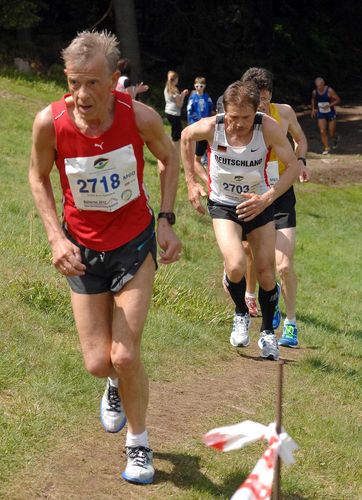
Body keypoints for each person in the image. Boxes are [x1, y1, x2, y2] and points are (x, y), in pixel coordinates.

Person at [28, 30, 181, 485]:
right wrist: (57, 238)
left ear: (115, 79)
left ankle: (138, 443)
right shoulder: (49, 122)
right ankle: (113, 385)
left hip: (134, 243)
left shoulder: (139, 117)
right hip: (83, 249)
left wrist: (166, 220)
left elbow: (168, 158)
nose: (82, 94)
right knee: (100, 363)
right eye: (75, 81)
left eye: (94, 83)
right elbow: (38, 178)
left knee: (126, 354)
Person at [181, 80, 299, 360]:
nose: (238, 124)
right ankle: (241, 313)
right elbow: (186, 136)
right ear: (225, 111)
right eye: (233, 117)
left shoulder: (267, 127)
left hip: (257, 205)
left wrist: (267, 198)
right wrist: (190, 182)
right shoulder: (213, 126)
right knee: (235, 266)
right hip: (223, 204)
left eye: (245, 118)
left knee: (266, 272)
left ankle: (268, 334)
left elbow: (293, 165)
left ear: (256, 111)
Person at [240, 68, 310, 348]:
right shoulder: (240, 119)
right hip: (252, 192)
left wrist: (301, 159)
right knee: (251, 253)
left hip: (280, 192)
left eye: (267, 100)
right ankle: (249, 292)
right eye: (258, 102)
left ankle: (291, 325)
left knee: (284, 264)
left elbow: (300, 139)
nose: (263, 107)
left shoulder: (285, 113)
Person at [186, 76, 214, 184]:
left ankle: (204, 160)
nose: (199, 88)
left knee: (206, 141)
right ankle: (195, 161)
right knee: (197, 143)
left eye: (201, 86)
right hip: (196, 123)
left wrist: (210, 116)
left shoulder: (207, 97)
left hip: (206, 123)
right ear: (194, 86)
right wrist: (196, 119)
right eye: (197, 86)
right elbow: (189, 110)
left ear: (204, 86)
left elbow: (211, 107)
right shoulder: (193, 97)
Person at [311, 77, 341, 155]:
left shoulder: (329, 90)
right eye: (318, 86)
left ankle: (335, 138)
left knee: (331, 133)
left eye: (321, 85)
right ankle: (326, 148)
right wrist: (313, 109)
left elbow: (338, 100)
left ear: (323, 84)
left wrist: (329, 105)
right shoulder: (315, 92)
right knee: (322, 131)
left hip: (330, 112)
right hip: (321, 113)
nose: (319, 87)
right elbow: (313, 99)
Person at [163, 70, 189, 161]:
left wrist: (181, 94)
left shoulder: (167, 88)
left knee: (176, 133)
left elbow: (175, 100)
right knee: (177, 136)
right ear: (176, 79)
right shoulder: (174, 89)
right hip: (174, 114)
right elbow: (179, 104)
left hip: (168, 112)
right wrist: (183, 96)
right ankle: (174, 154)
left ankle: (173, 153)